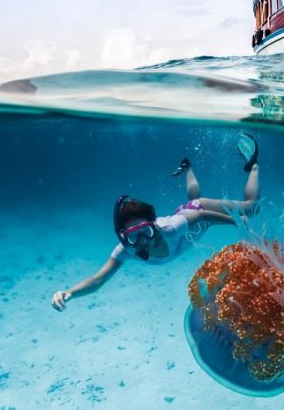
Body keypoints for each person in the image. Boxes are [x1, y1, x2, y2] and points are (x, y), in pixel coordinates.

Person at [51, 133, 261, 312]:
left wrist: (235, 223)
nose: (143, 241)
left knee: (250, 208)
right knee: (191, 202)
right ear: (124, 238)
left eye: (146, 232)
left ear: (153, 226)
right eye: (134, 235)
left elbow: (202, 214)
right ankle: (188, 169)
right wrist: (68, 293)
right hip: (186, 216)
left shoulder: (170, 228)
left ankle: (253, 165)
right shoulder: (126, 250)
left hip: (197, 212)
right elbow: (98, 280)